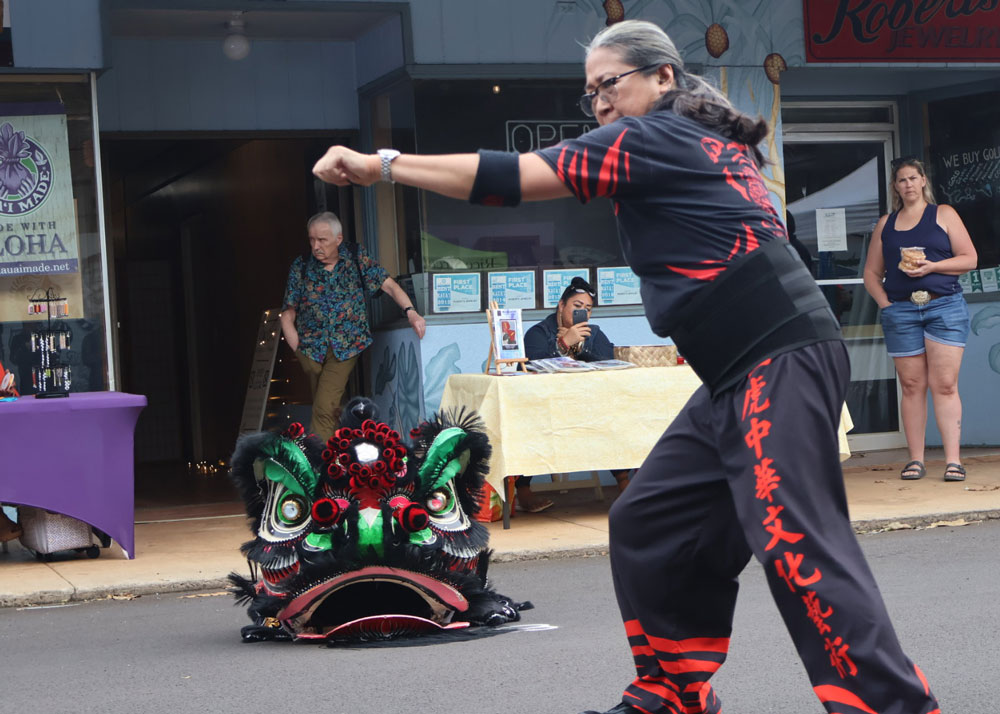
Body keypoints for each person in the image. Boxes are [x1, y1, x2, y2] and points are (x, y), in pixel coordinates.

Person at [311, 19, 939, 714]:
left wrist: (382, 166)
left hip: (776, 357)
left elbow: (514, 176)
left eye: (609, 84)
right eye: (591, 95)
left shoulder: (656, 137)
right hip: (739, 370)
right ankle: (672, 693)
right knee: (649, 520)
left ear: (663, 77)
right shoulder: (691, 140)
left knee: (797, 544)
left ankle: (893, 706)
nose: (600, 103)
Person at [863, 157, 977, 482]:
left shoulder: (943, 214)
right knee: (912, 386)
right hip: (901, 310)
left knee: (945, 384)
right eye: (902, 180)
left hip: (944, 306)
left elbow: (970, 258)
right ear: (895, 186)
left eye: (913, 178)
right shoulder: (886, 224)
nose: (908, 185)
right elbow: (871, 273)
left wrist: (931, 267)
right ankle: (916, 460)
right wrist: (886, 304)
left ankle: (953, 461)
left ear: (924, 180)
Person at [279, 211, 426, 443]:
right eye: (311, 239)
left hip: (346, 347)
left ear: (338, 239)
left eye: (322, 240)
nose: (316, 246)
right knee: (330, 405)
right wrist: (297, 346)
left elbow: (388, 286)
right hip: (310, 348)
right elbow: (288, 313)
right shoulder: (302, 266)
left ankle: (318, 464)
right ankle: (343, 453)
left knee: (324, 407)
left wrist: (411, 312)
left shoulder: (356, 258)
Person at [516, 276, 627, 510]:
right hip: (546, 406)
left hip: (586, 404)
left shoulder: (594, 333)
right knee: (529, 423)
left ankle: (625, 484)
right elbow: (529, 366)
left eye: (588, 309)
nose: (583, 314)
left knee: (611, 416)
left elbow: (610, 362)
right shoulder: (538, 332)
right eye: (577, 307)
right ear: (561, 305)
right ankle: (523, 491)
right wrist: (563, 344)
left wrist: (582, 347)